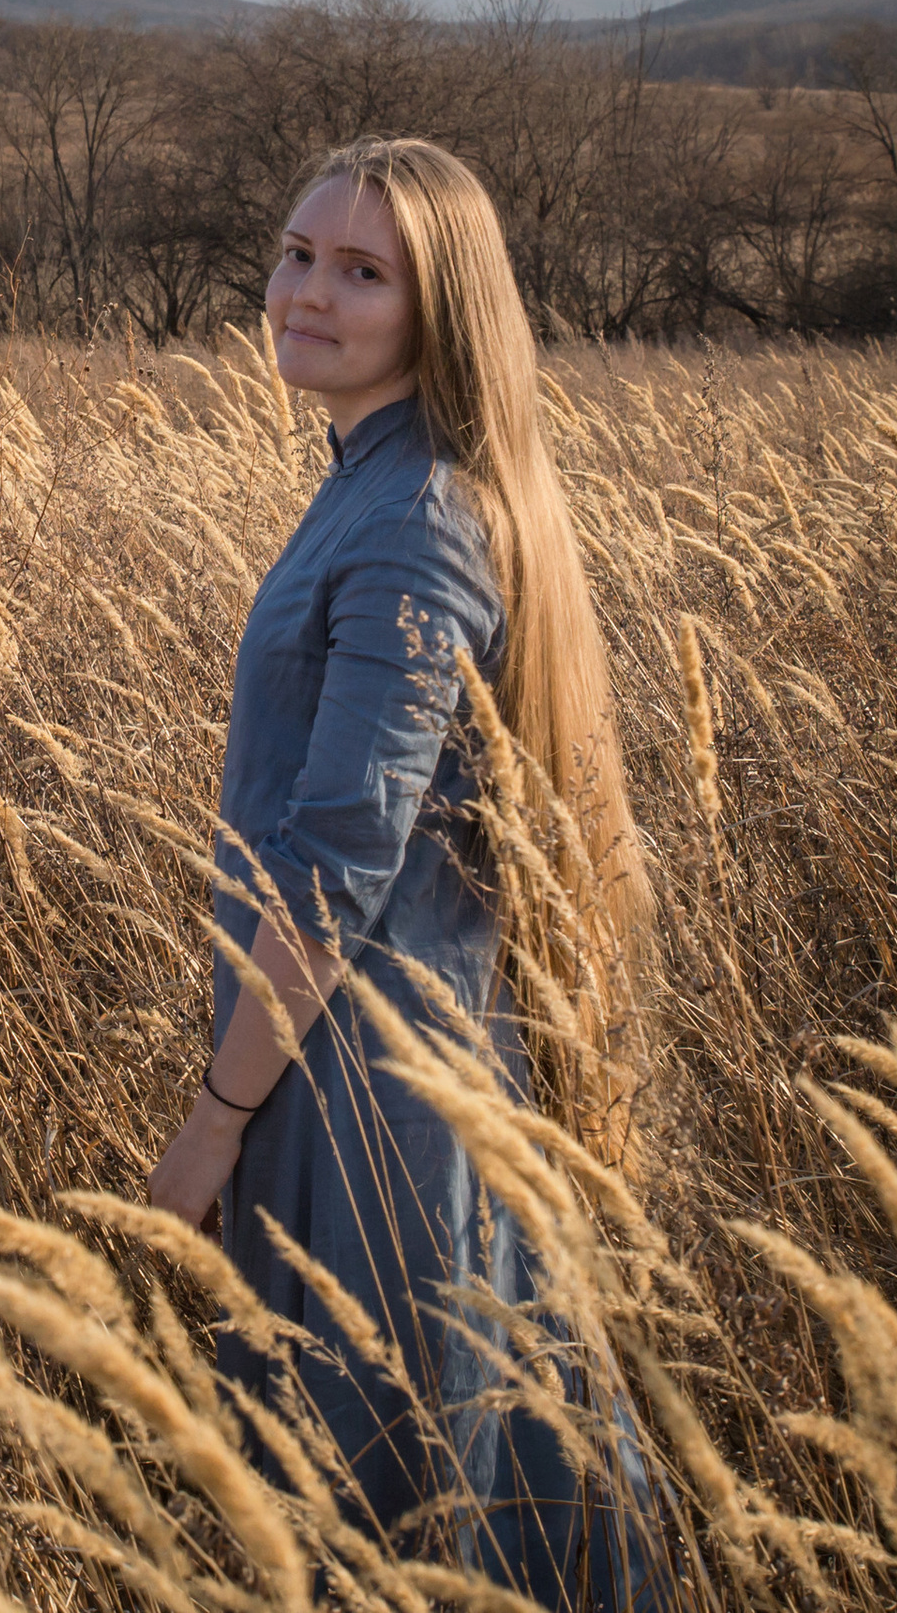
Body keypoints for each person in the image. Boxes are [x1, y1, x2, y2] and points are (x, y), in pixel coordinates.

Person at [146, 136, 661, 1605]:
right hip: (354, 1058)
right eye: (299, 254)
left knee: (390, 1512)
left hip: (363, 1088)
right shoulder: (374, 485)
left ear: (442, 310)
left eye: (362, 271)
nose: (307, 292)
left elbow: (338, 864)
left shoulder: (419, 517)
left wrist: (216, 1119)